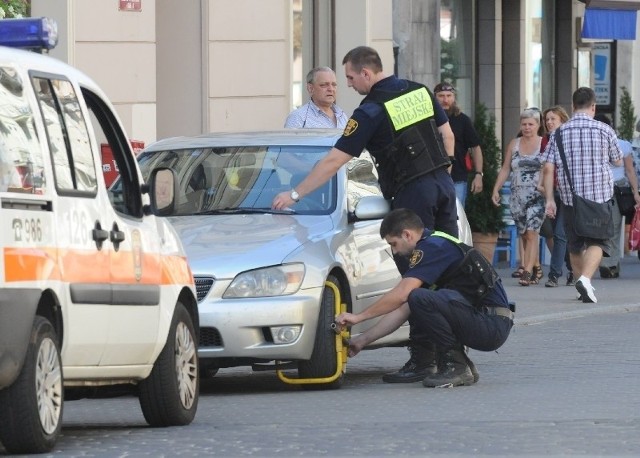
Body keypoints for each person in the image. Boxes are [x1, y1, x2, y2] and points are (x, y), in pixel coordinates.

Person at [273, 45, 458, 383]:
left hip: (412, 196)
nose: (349, 85)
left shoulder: (369, 111)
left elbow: (334, 160)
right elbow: (447, 135)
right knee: (447, 270)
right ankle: (452, 355)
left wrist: (296, 193)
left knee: (415, 278)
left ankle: (423, 358)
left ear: (367, 73)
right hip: (443, 187)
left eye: (350, 78)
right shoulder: (418, 92)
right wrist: (442, 174)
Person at [335, 208, 513, 387]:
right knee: (418, 299)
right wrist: (362, 340)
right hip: (489, 321)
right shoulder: (436, 243)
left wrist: (358, 317)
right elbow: (403, 308)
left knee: (419, 297)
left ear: (407, 235)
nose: (394, 252)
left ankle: (456, 366)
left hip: (490, 325)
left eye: (394, 244)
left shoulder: (432, 247)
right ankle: (460, 365)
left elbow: (402, 294)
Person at [541, 87, 623, 303]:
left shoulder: (559, 133)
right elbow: (617, 160)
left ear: (573, 106)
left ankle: (580, 286)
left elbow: (548, 168)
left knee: (575, 244)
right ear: (593, 107)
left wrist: (550, 199)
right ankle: (585, 280)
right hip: (599, 197)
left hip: (570, 199)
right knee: (599, 241)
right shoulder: (605, 130)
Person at [492, 108, 545, 286]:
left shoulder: (544, 143)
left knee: (532, 232)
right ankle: (536, 265)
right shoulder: (514, 144)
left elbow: (550, 168)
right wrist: (496, 189)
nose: (527, 127)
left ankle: (527, 271)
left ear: (538, 125)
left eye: (531, 124)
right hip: (517, 195)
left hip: (538, 194)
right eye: (524, 124)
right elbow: (506, 167)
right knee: (523, 233)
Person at [594, 114, 640, 278]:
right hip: (597, 190)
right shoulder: (591, 145)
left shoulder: (622, 145)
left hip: (615, 190)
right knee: (605, 228)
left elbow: (629, 170)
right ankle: (610, 263)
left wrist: (635, 192)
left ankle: (609, 264)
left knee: (611, 227)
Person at [433, 82, 483, 207]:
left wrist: (478, 175)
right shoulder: (429, 120)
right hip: (433, 177)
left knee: (457, 217)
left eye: (449, 96)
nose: (445, 100)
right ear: (434, 97)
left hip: (458, 177)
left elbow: (476, 147)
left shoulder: (463, 120)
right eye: (441, 96)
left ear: (454, 97)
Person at [540, 105, 574, 287]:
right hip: (550, 191)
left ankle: (554, 275)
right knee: (555, 233)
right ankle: (572, 270)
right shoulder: (547, 139)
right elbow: (545, 166)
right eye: (547, 119)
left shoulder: (567, 138)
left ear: (563, 120)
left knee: (560, 233)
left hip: (567, 191)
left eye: (553, 119)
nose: (549, 122)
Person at [284, 67, 348, 129]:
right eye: (324, 85)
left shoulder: (341, 115)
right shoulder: (298, 117)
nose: (331, 89)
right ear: (310, 88)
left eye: (334, 85)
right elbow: (289, 140)